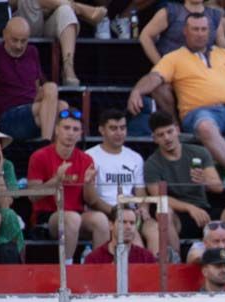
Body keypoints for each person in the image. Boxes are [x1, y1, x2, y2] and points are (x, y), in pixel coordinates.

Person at [127, 13, 225, 169]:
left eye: (204, 29)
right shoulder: (174, 57)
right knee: (206, 128)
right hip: (199, 114)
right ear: (185, 31)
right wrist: (137, 91)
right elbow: (154, 78)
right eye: (195, 29)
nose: (200, 33)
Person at [144, 110, 225, 253]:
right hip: (178, 216)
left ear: (177, 130)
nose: (167, 138)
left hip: (204, 210)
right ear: (154, 138)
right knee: (163, 212)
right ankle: (175, 265)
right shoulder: (152, 163)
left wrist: (204, 180)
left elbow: (218, 187)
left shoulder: (199, 152)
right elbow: (159, 198)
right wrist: (189, 208)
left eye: (170, 132)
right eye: (161, 135)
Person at [27, 110, 109, 263]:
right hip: (47, 217)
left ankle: (98, 269)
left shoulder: (86, 159)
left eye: (75, 129)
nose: (71, 133)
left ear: (80, 134)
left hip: (76, 214)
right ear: (57, 130)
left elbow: (90, 200)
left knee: (101, 220)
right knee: (72, 218)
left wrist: (89, 182)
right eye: (66, 128)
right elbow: (32, 195)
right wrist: (56, 180)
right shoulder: (39, 156)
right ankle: (67, 270)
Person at [86, 109, 160, 253]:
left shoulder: (135, 157)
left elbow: (140, 192)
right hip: (106, 213)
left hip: (132, 213)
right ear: (102, 130)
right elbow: (92, 199)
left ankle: (156, 272)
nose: (119, 133)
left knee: (155, 230)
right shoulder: (90, 156)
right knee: (135, 242)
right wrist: (118, 212)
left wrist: (143, 209)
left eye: (122, 128)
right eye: (113, 128)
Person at [0, 17, 61, 140]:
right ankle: (47, 146)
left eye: (23, 41)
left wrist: (44, 96)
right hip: (8, 116)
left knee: (61, 104)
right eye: (14, 40)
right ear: (4, 34)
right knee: (53, 112)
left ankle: (46, 142)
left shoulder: (32, 52)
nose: (19, 46)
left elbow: (36, 86)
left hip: (32, 109)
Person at [14, 0, 104, 86]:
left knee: (66, 10)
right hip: (25, 22)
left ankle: (68, 67)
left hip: (49, 19)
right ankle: (79, 9)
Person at [82, 207, 159, 264]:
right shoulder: (94, 259)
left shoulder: (147, 258)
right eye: (123, 222)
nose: (128, 227)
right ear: (111, 225)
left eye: (132, 223)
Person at [0, 125, 23, 263]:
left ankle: (12, 261)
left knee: (9, 215)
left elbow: (6, 204)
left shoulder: (7, 166)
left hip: (1, 214)